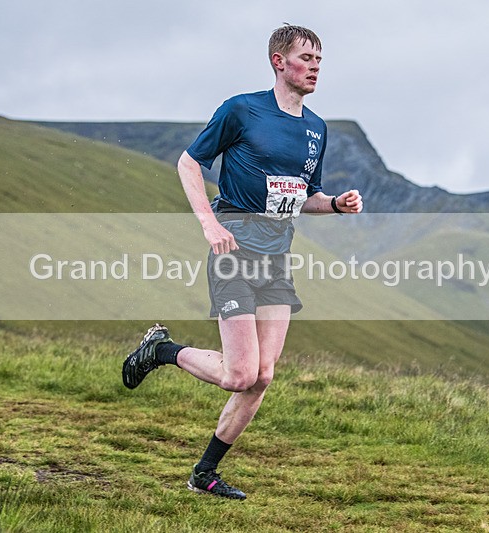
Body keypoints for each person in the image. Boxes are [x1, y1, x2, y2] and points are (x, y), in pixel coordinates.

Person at [122, 24, 363, 500]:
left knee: (263, 376)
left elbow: (304, 195)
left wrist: (335, 204)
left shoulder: (317, 128)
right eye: (306, 58)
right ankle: (162, 350)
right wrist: (211, 224)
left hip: (277, 258)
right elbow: (189, 164)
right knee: (239, 374)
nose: (315, 66)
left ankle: (203, 474)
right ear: (279, 61)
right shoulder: (241, 109)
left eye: (320, 59)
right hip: (234, 250)